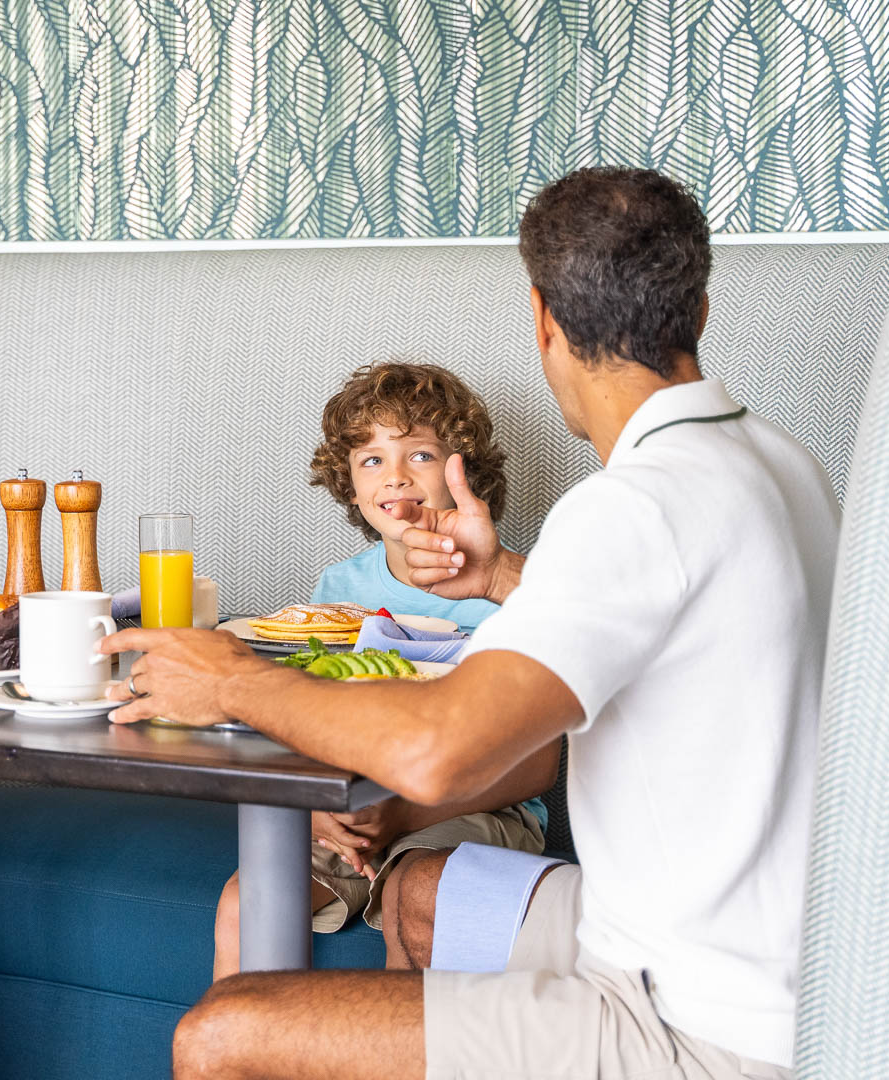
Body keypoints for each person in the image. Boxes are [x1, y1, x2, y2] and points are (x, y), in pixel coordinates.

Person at [104, 167, 834, 1080]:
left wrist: (232, 679)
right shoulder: (778, 463)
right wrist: (496, 575)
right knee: (419, 895)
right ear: (700, 307)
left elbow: (437, 754)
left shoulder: (633, 504)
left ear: (543, 322)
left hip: (695, 1018)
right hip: (765, 956)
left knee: (221, 1035)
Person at [210, 362, 553, 979]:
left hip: (475, 803)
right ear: (347, 483)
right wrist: (311, 804)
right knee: (246, 902)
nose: (394, 476)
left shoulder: (509, 585)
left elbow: (532, 761)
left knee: (411, 904)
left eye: (419, 454)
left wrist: (405, 816)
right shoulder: (338, 588)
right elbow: (308, 717)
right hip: (351, 806)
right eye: (370, 460)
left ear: (463, 470)